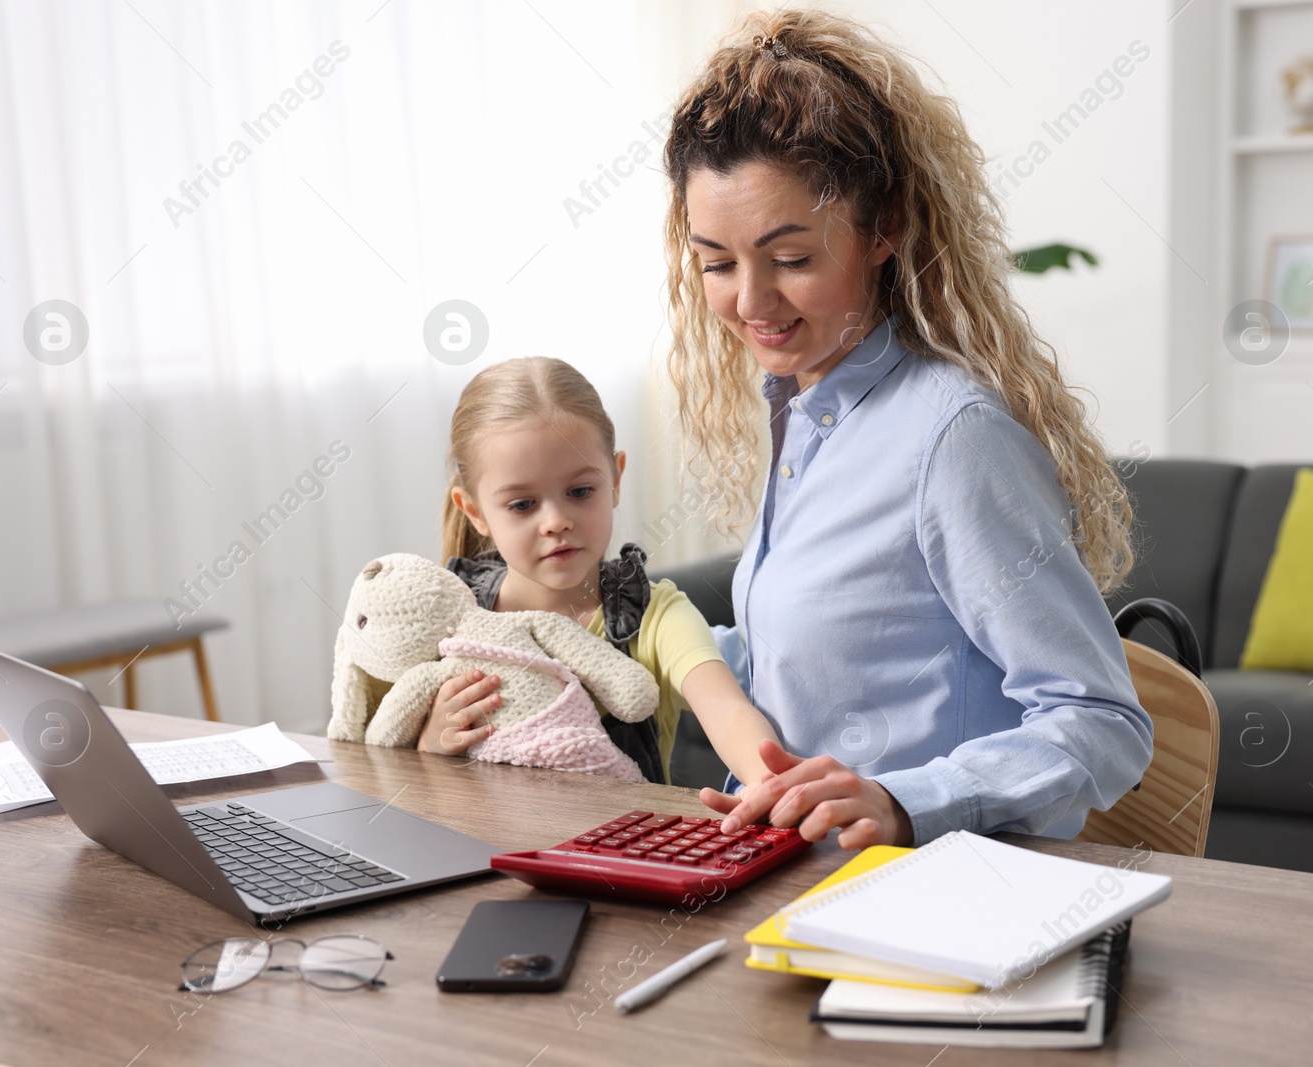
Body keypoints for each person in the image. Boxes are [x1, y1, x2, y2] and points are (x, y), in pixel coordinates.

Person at [660, 10, 1153, 850]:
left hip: (931, 903)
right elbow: (821, 654)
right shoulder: (805, 414)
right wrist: (622, 637)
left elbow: (1101, 716)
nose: (749, 301)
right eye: (716, 262)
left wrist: (904, 798)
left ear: (882, 228)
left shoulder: (952, 437)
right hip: (798, 879)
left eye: (791, 260)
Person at [428, 355, 780, 788]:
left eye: (580, 491)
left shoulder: (657, 617)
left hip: (620, 852)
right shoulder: (445, 619)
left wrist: (772, 784)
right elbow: (384, 756)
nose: (556, 520)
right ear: (475, 512)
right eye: (522, 504)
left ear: (615, 479)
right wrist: (429, 743)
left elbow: (728, 713)